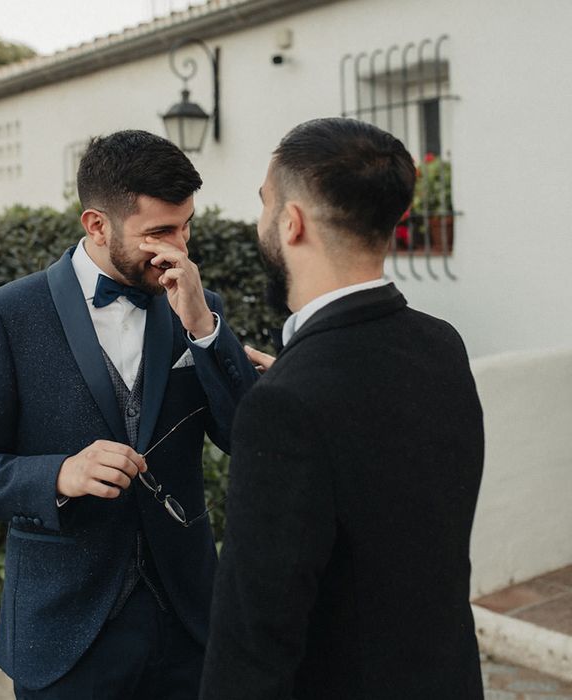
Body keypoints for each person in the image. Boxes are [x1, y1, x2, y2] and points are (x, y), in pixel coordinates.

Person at [0, 129, 257, 700]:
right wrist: (59, 474)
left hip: (188, 618)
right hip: (67, 633)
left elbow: (244, 437)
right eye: (159, 232)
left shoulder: (199, 307)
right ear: (97, 225)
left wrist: (205, 331)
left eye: (186, 228)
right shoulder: (7, 316)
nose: (178, 249)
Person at [200, 118, 485, 700]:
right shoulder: (442, 344)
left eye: (264, 203)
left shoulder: (286, 405)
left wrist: (298, 397)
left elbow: (254, 641)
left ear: (291, 222)